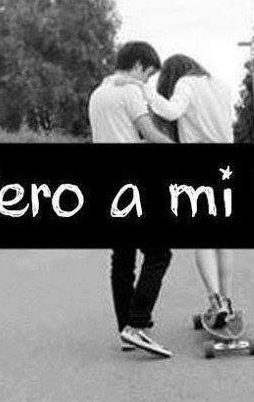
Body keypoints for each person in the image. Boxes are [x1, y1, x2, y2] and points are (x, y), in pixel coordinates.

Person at [115, 54, 237, 329]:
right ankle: (227, 302)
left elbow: (171, 111)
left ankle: (216, 301)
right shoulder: (219, 84)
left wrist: (141, 87)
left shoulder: (186, 83)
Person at [88, 41, 175, 358]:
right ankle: (137, 324)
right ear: (138, 64)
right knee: (159, 253)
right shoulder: (129, 92)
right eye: (149, 74)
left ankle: (126, 331)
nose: (147, 80)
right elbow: (148, 132)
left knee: (123, 259)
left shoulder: (98, 93)